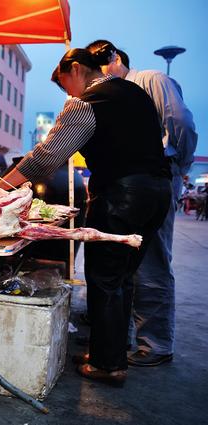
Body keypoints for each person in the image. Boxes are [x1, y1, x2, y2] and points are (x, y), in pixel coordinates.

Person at [0, 49, 171, 386]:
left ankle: (108, 366)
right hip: (156, 193)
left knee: (105, 277)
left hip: (122, 195)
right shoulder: (132, 90)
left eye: (65, 85)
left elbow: (46, 158)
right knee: (122, 277)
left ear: (76, 69)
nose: (67, 94)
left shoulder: (88, 101)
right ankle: (110, 351)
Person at [86, 40, 198, 367]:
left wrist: (180, 164)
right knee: (123, 266)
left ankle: (156, 343)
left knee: (151, 260)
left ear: (115, 57)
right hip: (124, 183)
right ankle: (122, 339)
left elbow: (181, 123)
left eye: (98, 65)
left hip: (153, 177)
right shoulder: (111, 91)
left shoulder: (151, 80)